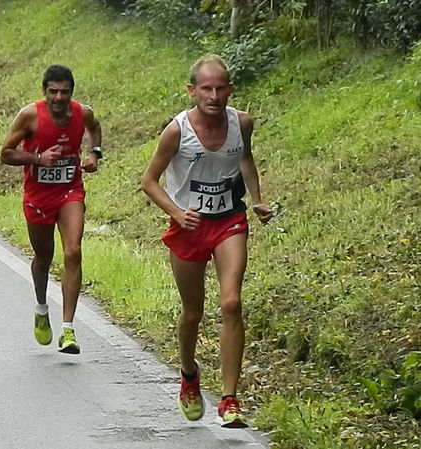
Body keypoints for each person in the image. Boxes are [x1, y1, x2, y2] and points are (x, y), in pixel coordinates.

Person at [141, 55, 273, 428]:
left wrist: (257, 198)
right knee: (193, 313)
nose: (214, 96)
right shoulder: (176, 131)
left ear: (230, 89)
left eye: (220, 88)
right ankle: (188, 373)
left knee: (231, 302)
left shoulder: (241, 123)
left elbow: (245, 158)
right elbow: (149, 180)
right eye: (206, 89)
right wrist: (177, 213)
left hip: (229, 220)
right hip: (188, 229)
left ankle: (230, 398)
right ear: (192, 91)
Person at [1, 64, 102, 354]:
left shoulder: (82, 112)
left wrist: (94, 153)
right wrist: (37, 158)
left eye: (64, 92)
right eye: (53, 92)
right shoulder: (30, 115)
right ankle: (42, 308)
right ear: (43, 90)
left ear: (72, 92)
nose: (58, 98)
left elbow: (95, 129)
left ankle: (68, 329)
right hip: (38, 196)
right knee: (44, 257)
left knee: (73, 251)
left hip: (70, 191)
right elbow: (5, 153)